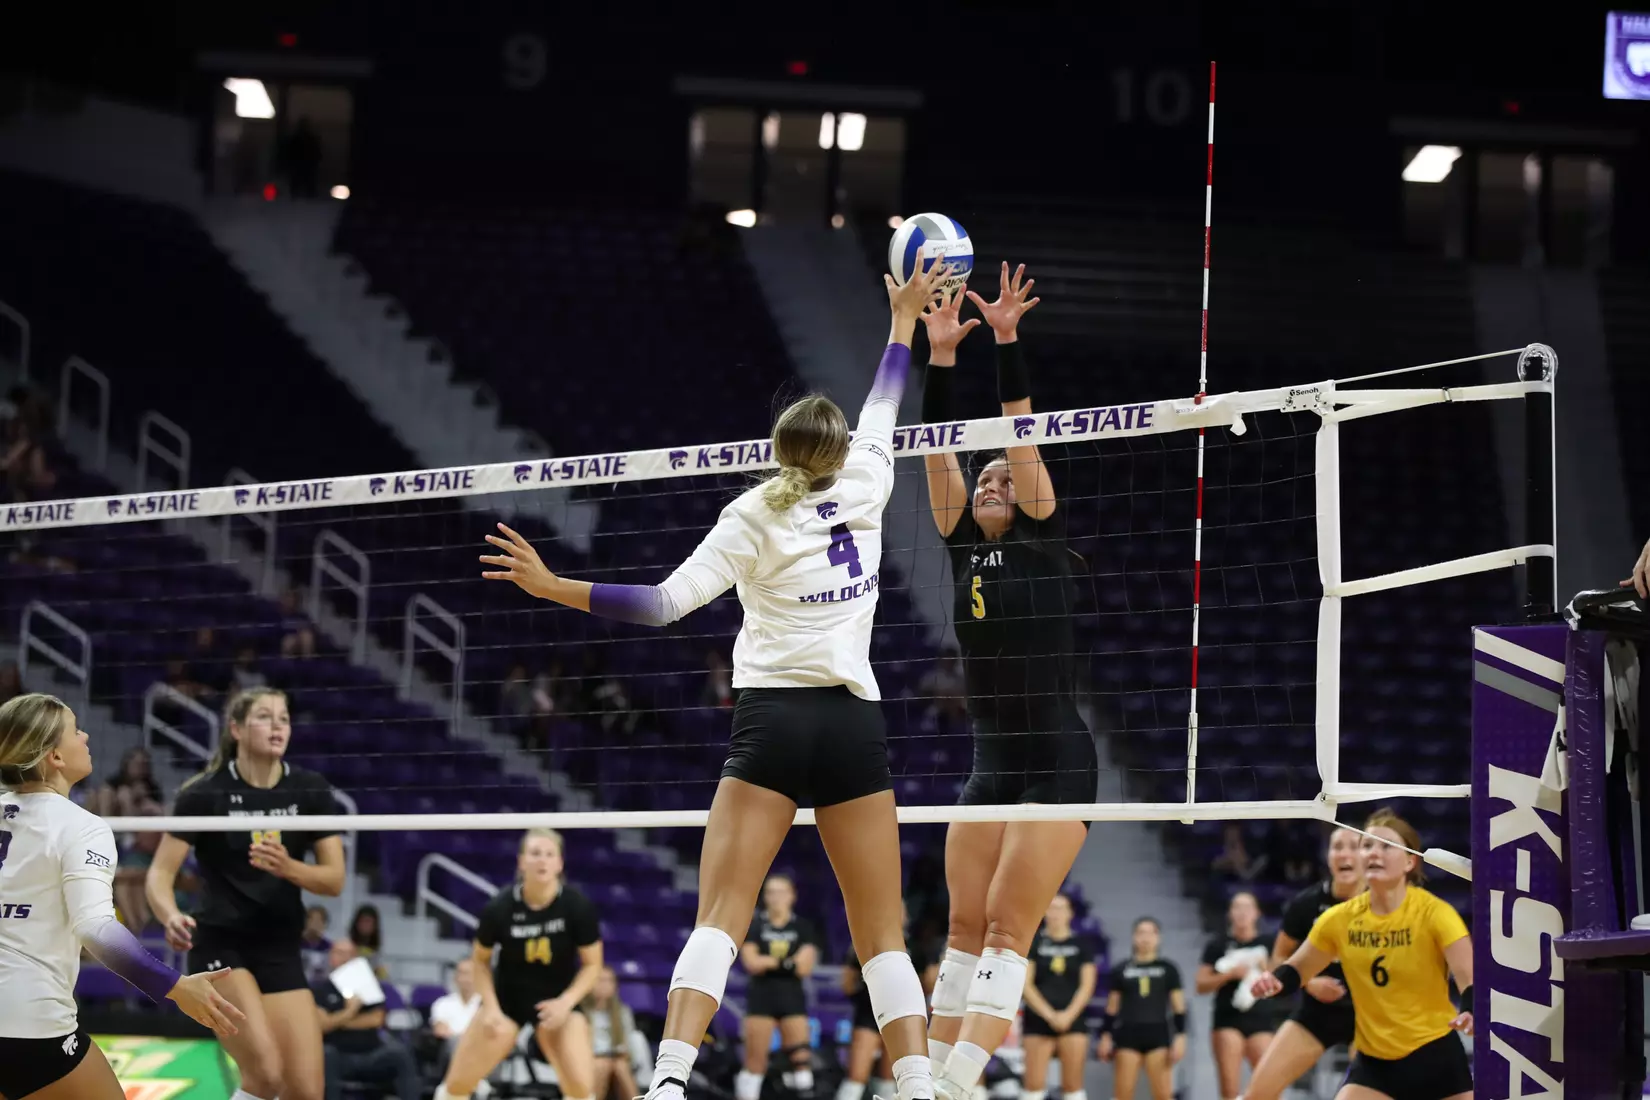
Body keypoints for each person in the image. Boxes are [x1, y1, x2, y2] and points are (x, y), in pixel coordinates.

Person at [478, 259, 950, 1100]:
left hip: (772, 724)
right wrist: (903, 323)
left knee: (721, 918)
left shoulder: (751, 514)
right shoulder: (869, 480)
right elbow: (886, 401)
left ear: (778, 451)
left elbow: (662, 605)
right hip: (852, 724)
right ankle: (916, 1085)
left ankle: (668, 1082)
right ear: (839, 452)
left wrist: (552, 587)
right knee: (883, 934)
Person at [916, 263, 1097, 1100]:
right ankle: (925, 1081)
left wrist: (1007, 341)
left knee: (1003, 929)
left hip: (1057, 761)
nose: (991, 483)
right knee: (959, 927)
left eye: (1002, 480)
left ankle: (957, 1083)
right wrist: (940, 354)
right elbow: (935, 447)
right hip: (991, 759)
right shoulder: (959, 540)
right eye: (982, 478)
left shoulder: (1042, 539)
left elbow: (1020, 434)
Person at [0, 692, 244, 1100]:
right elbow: (97, 929)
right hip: (31, 1024)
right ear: (54, 757)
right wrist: (175, 985)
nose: (85, 736)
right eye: (75, 730)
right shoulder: (82, 826)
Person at [146, 686, 347, 1100]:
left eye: (284, 719)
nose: (278, 726)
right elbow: (160, 874)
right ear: (236, 729)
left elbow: (334, 880)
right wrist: (170, 916)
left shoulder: (309, 790)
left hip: (279, 947)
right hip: (221, 946)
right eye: (264, 717)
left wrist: (288, 867)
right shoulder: (204, 793)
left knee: (306, 1092)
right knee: (266, 1076)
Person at [1252, 811, 1474, 1100]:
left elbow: (1468, 975)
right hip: (1374, 1058)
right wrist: (1276, 981)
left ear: (1410, 861)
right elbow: (1296, 968)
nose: (1373, 853)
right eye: (1367, 846)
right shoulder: (1336, 918)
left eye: (1386, 846)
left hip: (1434, 1054)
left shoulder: (1435, 913)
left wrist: (1470, 1007)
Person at [435, 829, 604, 1100]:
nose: (542, 860)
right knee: (456, 1085)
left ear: (559, 863)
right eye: (535, 853)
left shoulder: (577, 907)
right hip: (507, 1000)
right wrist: (490, 1008)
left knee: (582, 1090)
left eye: (549, 854)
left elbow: (593, 965)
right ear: (521, 861)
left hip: (557, 1001)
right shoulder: (499, 907)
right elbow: (480, 961)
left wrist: (566, 1002)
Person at [1243, 826, 1364, 1100]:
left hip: (1370, 1016)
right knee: (1256, 1095)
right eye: (1337, 847)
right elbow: (1278, 958)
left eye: (1353, 847)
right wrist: (1309, 982)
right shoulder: (1306, 904)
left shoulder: (1385, 905)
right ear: (1328, 856)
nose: (1344, 854)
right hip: (1316, 1014)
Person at [839, 904, 936, 1100]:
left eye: (901, 910)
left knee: (891, 1077)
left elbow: (928, 984)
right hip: (868, 1014)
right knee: (857, 1075)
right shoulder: (865, 942)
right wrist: (863, 997)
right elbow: (847, 982)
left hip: (903, 1014)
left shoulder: (916, 947)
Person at [739, 874, 821, 1100]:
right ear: (765, 897)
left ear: (792, 896)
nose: (776, 897)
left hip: (792, 999)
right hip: (760, 999)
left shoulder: (803, 927)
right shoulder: (754, 925)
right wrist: (788, 963)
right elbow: (751, 963)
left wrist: (769, 962)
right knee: (755, 1062)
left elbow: (804, 967)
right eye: (771, 892)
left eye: (781, 892)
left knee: (800, 1060)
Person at [313, 938, 420, 1100]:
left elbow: (377, 1019)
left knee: (400, 1053)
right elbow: (323, 1024)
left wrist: (338, 1020)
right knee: (325, 1054)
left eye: (350, 954)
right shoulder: (320, 988)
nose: (345, 958)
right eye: (340, 953)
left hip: (371, 1054)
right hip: (339, 1054)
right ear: (331, 957)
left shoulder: (367, 985)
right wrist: (351, 1010)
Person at [1196, 891, 1275, 1100]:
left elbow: (1283, 978)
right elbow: (1201, 984)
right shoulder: (1217, 945)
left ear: (1256, 913)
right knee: (1229, 1090)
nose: (1242, 912)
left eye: (1247, 907)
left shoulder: (1269, 943)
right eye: (1237, 907)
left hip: (1261, 1018)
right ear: (1230, 913)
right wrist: (1229, 975)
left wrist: (1266, 968)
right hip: (1228, 1018)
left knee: (1269, 1088)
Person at [1019, 893, 1099, 1100]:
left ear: (1070, 913)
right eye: (1051, 908)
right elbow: (1026, 985)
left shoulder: (1082, 945)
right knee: (1033, 1084)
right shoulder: (1034, 943)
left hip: (1073, 1019)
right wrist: (1050, 1015)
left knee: (1072, 1085)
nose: (1055, 913)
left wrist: (1067, 1016)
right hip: (1038, 1018)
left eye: (1061, 908)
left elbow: (1087, 986)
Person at [1095, 918, 1184, 1100]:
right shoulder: (1121, 969)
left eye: (1151, 933)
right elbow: (1112, 1007)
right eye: (1141, 933)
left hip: (1158, 1036)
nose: (1145, 938)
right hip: (1128, 1036)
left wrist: (1181, 1037)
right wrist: (1105, 1035)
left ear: (1158, 937)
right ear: (1134, 937)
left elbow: (1178, 1007)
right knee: (1123, 1094)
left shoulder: (1168, 969)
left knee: (1163, 1094)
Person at [91, 746, 165, 931]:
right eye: (135, 763)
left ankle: (139, 926)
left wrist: (142, 803)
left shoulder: (152, 790)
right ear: (127, 764)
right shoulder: (112, 787)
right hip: (117, 842)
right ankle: (135, 926)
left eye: (142, 764)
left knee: (130, 881)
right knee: (125, 881)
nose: (139, 767)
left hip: (140, 848)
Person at [584, 964, 641, 1100]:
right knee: (601, 1065)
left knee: (621, 1066)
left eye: (609, 981)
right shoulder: (581, 1012)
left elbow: (627, 1046)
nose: (605, 985)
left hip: (615, 1059)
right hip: (589, 1061)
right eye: (600, 980)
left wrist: (620, 1055)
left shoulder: (622, 1012)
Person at [431, 957, 484, 1045]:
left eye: (470, 974)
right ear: (455, 977)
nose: (466, 978)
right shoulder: (442, 1003)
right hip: (452, 1047)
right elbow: (441, 1031)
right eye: (462, 973)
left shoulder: (487, 1004)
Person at [348, 903, 387, 978]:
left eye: (369, 922)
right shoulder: (345, 945)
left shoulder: (378, 951)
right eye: (362, 921)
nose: (365, 925)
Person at [301, 905, 334, 986]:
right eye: (312, 920)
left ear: (325, 924)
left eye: (319, 920)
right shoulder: (295, 946)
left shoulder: (330, 947)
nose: (315, 924)